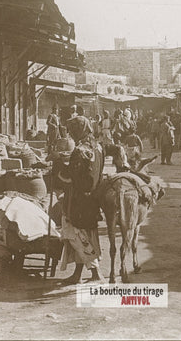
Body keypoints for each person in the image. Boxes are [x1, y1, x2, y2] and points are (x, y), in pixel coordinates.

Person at [59, 115, 105, 284]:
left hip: (78, 200)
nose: (70, 134)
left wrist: (58, 167)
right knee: (87, 234)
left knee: (77, 235)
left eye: (72, 130)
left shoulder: (80, 151)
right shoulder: (98, 147)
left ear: (79, 130)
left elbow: (72, 176)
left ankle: (95, 272)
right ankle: (77, 274)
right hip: (92, 199)